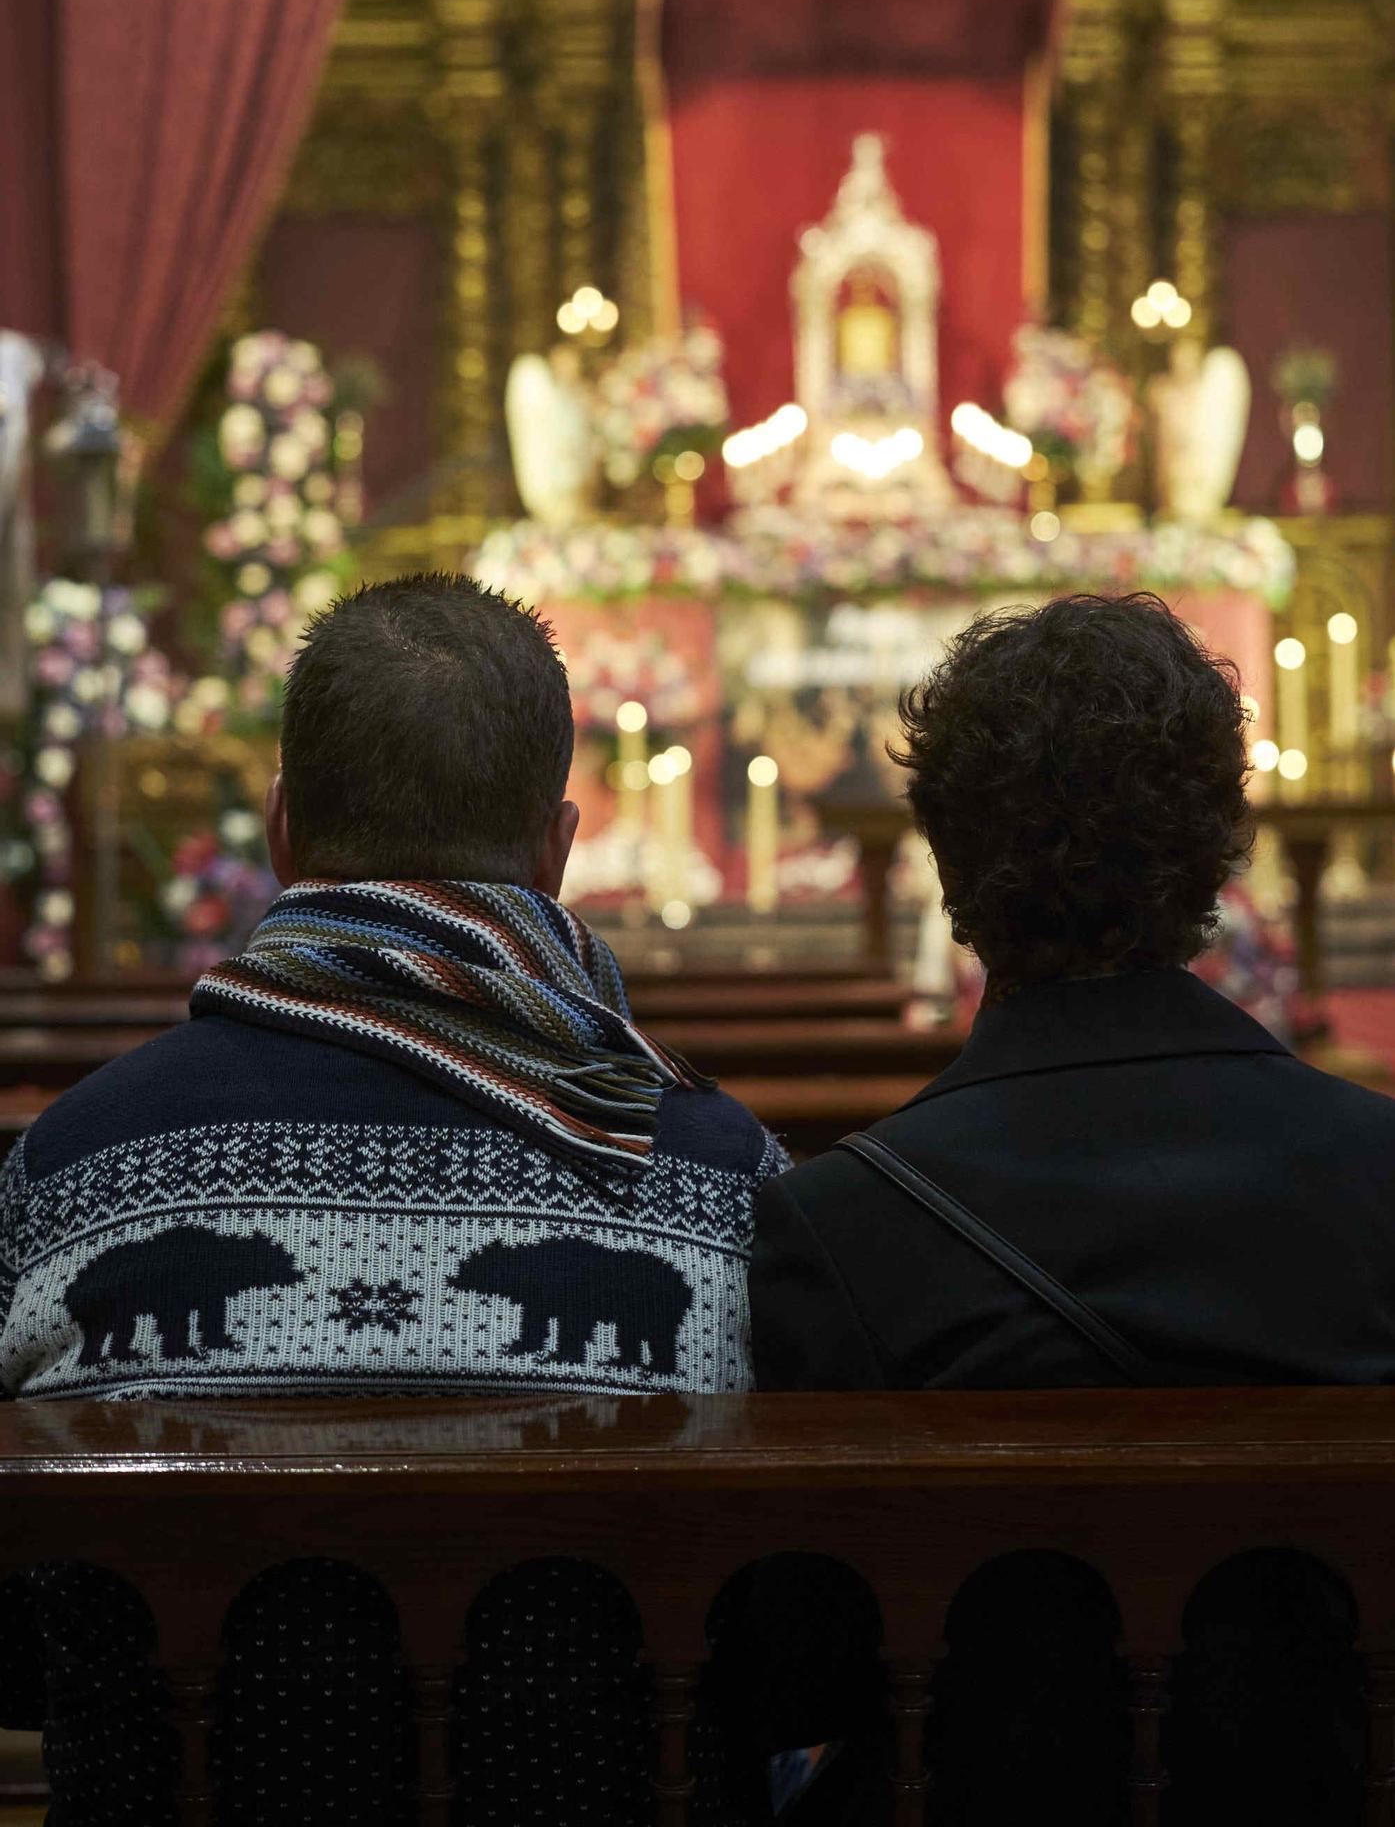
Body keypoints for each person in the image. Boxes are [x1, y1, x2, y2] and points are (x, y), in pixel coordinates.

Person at [0, 572, 785, 1826]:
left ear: (279, 834)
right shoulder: (720, 1176)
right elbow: (783, 1638)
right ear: (558, 850)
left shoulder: (64, 1170)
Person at [750, 591, 1395, 1824]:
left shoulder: (834, 1228)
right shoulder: (1381, 1170)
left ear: (945, 860)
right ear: (1221, 844)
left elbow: (798, 1671)